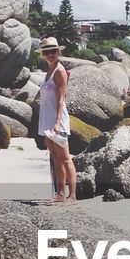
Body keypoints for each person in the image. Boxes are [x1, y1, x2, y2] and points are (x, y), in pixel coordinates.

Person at [37, 36, 76, 203]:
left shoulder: (59, 71)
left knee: (65, 157)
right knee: (55, 158)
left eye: (53, 51)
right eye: (46, 52)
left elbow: (61, 99)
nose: (50, 54)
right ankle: (60, 193)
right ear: (43, 55)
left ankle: (72, 195)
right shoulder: (49, 71)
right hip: (46, 120)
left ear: (58, 52)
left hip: (56, 120)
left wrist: (58, 121)